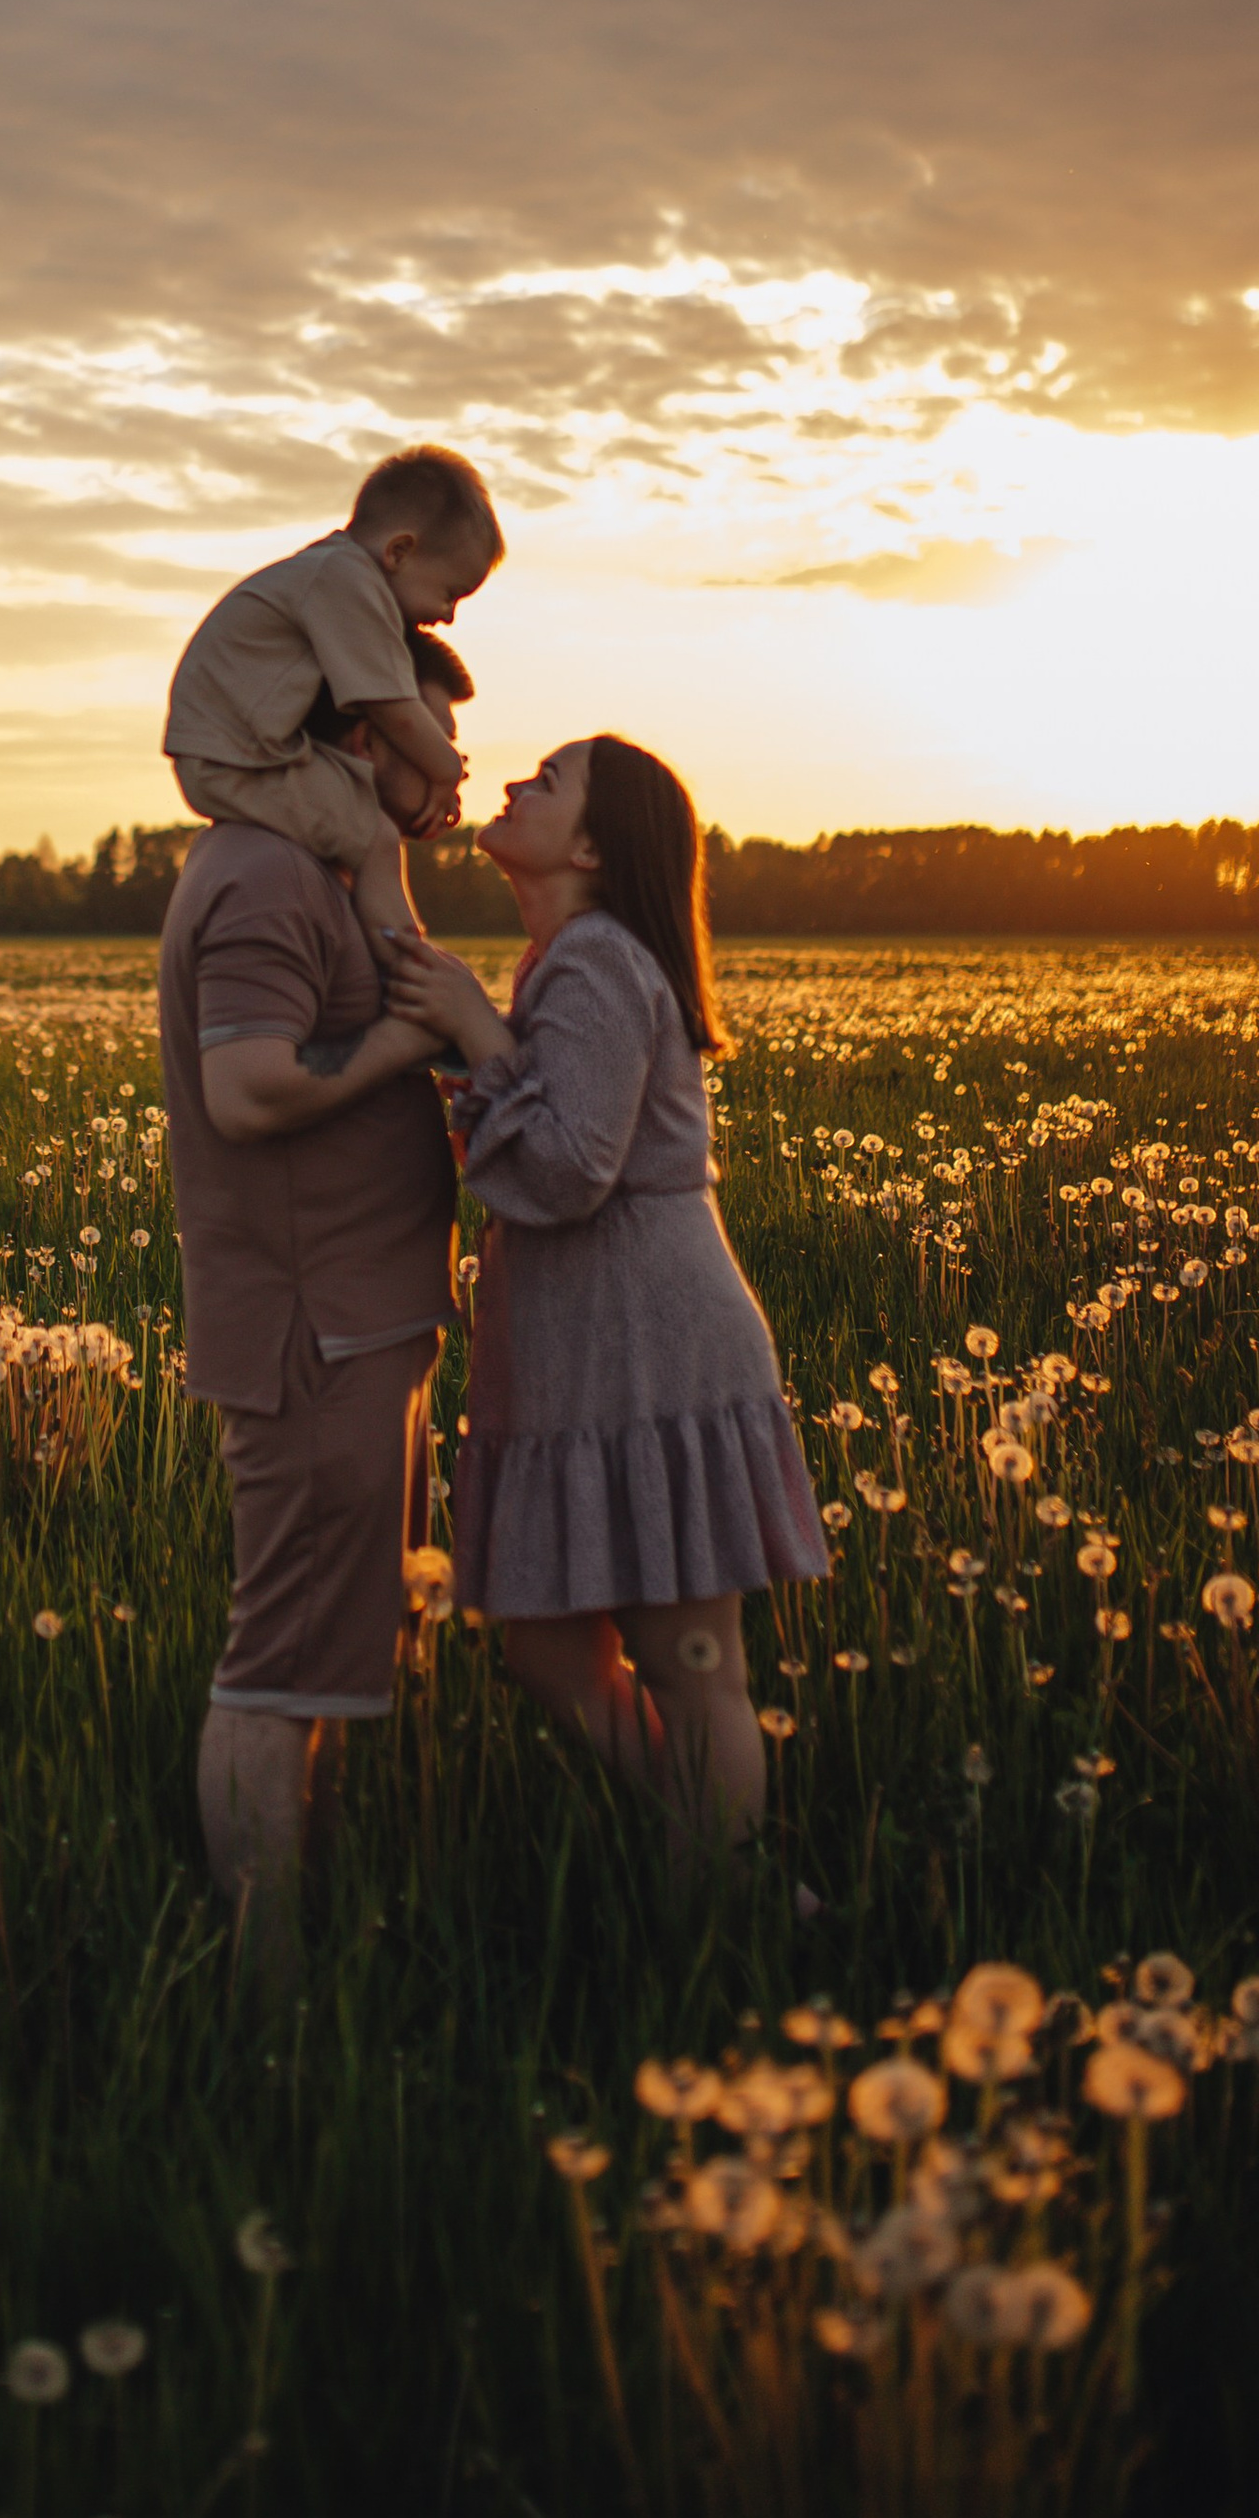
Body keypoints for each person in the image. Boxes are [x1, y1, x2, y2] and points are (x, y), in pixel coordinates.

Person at [383, 733, 826, 1884]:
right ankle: (718, 1853)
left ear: (589, 843)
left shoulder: (592, 960)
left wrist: (475, 1034)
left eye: (551, 777)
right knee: (545, 1646)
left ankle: (722, 1905)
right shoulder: (570, 958)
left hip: (651, 1343)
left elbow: (575, 1163)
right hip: (584, 1346)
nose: (518, 783)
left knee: (690, 1661)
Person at [158, 637, 477, 1994]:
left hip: (363, 1327)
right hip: (311, 1336)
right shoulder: (266, 879)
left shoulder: (329, 873)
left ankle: (319, 1916)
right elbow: (248, 1092)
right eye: (432, 740)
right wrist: (415, 1045)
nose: (452, 770)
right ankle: (268, 1985)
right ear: (362, 739)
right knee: (277, 1666)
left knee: (335, 1656)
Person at [162, 447, 502, 955]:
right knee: (373, 839)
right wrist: (447, 771)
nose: (449, 615)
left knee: (365, 825)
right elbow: (395, 710)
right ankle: (408, 972)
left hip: (250, 752)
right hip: (238, 761)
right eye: (450, 592)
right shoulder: (348, 582)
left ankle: (392, 957)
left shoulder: (330, 573)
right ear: (399, 552)